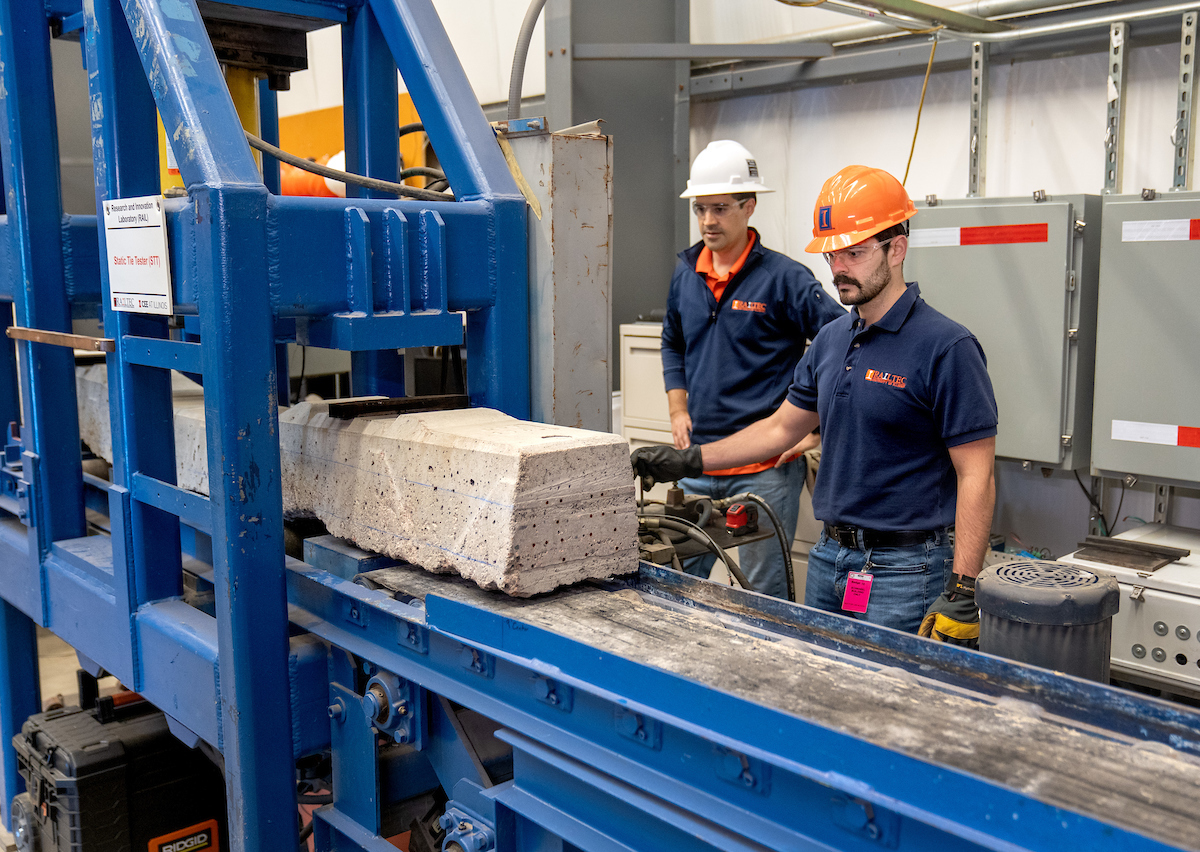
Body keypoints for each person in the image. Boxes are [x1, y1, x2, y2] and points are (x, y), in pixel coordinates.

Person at [635, 165, 998, 644]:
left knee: (888, 701)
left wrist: (965, 586)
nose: (839, 267)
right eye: (832, 254)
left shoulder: (946, 347)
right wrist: (688, 459)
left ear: (898, 248)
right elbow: (779, 429)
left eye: (855, 252)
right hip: (831, 559)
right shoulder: (830, 341)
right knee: (819, 684)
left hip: (905, 570)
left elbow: (978, 475)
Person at [661, 140, 845, 599]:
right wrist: (677, 407)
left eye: (720, 208)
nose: (708, 221)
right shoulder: (685, 273)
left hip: (763, 468)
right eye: (701, 209)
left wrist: (814, 429)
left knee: (763, 595)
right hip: (698, 460)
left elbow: (844, 345)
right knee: (678, 581)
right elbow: (672, 342)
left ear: (749, 206)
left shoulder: (785, 279)